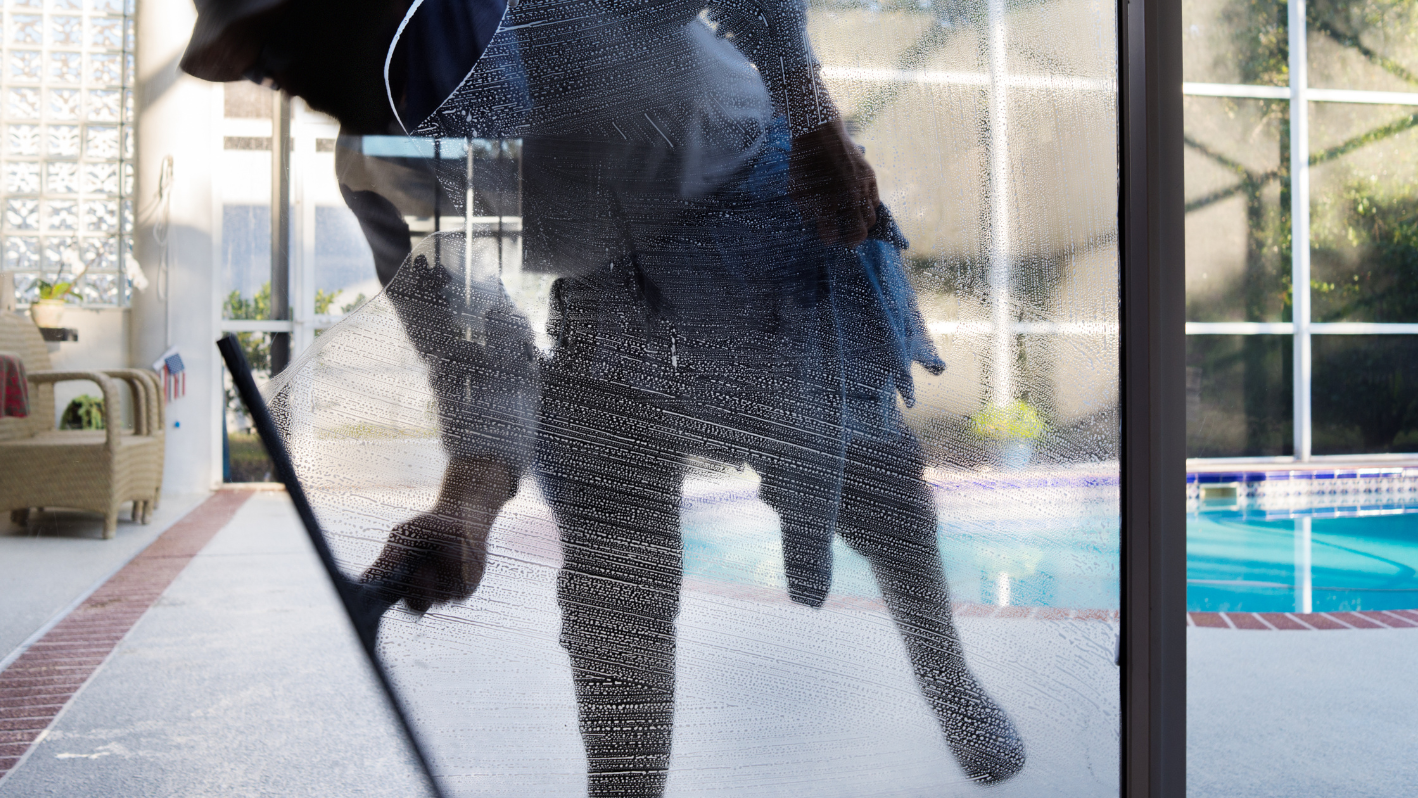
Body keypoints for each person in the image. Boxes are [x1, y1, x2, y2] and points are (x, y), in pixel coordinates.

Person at [182, 0, 1027, 793]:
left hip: (758, 202)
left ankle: (946, 674)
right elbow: (479, 349)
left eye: (280, 40)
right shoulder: (387, 167)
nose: (282, 78)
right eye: (263, 64)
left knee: (879, 488)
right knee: (610, 571)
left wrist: (816, 122)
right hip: (607, 293)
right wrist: (465, 509)